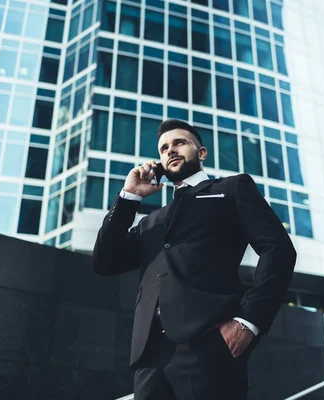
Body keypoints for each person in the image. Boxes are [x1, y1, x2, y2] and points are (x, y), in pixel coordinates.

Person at [93, 119, 297, 400]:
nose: (170, 150)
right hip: (150, 357)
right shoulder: (152, 221)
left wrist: (249, 321)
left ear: (201, 153)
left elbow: (279, 250)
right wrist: (129, 197)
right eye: (164, 148)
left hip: (209, 347)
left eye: (179, 142)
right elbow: (105, 261)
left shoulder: (231, 189)